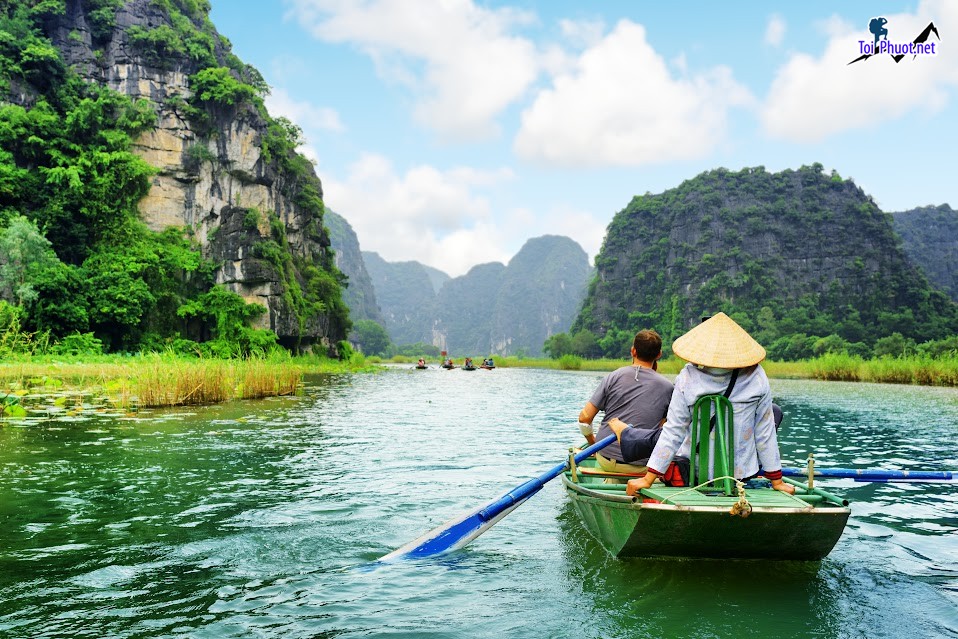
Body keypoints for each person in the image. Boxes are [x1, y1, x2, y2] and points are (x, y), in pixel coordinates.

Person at [613, 313, 795, 497]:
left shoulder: (688, 377)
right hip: (740, 475)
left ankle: (626, 434)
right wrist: (776, 480)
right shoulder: (756, 376)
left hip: (695, 473)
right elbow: (764, 431)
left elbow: (674, 431)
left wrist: (648, 479)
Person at [578, 329, 674, 476]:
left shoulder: (613, 377)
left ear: (633, 351)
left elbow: (584, 418)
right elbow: (664, 430)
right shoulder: (669, 387)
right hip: (644, 465)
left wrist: (594, 445)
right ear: (659, 354)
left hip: (606, 458)